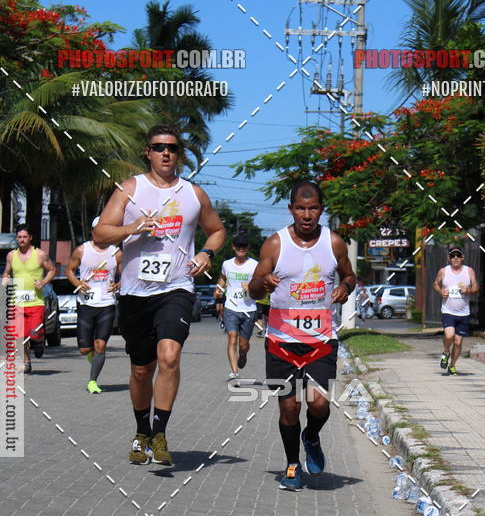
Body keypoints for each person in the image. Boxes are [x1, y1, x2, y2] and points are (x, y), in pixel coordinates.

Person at [93, 124, 226, 465]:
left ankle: (161, 431)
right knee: (141, 370)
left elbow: (217, 230)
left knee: (169, 357)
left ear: (178, 154)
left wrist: (206, 254)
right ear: (148, 152)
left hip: (176, 288)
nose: (166, 153)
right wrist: (132, 228)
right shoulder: (129, 190)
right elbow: (100, 233)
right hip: (136, 293)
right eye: (158, 147)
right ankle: (141, 431)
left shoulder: (193, 194)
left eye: (172, 148)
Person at [248, 179, 356, 492]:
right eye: (300, 208)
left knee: (319, 403)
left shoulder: (333, 243)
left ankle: (311, 436)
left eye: (313, 208)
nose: (306, 215)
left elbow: (349, 274)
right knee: (290, 407)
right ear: (291, 209)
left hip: (320, 339)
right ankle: (292, 465)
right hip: (281, 340)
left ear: (321, 210)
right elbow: (253, 289)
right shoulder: (275, 244)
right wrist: (263, 282)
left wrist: (344, 288)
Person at [65, 217, 122, 393]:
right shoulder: (82, 250)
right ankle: (93, 358)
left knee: (100, 345)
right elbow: (69, 270)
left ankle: (92, 381)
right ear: (93, 232)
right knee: (84, 348)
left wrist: (118, 285)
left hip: (107, 303)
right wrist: (77, 283)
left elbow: (127, 274)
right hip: (86, 303)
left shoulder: (116, 253)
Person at [1, 224, 56, 374]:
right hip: (16, 302)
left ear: (30, 238)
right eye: (19, 237)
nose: (22, 240)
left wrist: (43, 282)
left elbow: (52, 270)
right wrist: (5, 278)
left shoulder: (39, 254)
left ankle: (39, 342)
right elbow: (7, 272)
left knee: (35, 333)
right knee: (19, 336)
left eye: (25, 237)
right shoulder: (11, 255)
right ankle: (26, 362)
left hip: (35, 302)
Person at [217, 234, 259, 381]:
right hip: (230, 307)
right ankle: (234, 372)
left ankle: (243, 354)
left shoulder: (254, 265)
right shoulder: (227, 264)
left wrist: (251, 286)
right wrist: (218, 288)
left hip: (249, 308)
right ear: (233, 247)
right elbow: (222, 278)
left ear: (247, 248)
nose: (241, 249)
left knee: (243, 345)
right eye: (238, 246)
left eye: (244, 246)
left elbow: (260, 284)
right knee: (232, 337)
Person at [433, 246, 479, 376]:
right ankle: (446, 352)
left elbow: (476, 287)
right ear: (449, 258)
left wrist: (468, 290)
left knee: (458, 342)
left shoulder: (469, 271)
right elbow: (435, 283)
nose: (456, 258)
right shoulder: (444, 271)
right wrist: (440, 291)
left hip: (463, 313)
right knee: (449, 335)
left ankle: (452, 365)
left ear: (462, 257)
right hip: (448, 311)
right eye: (453, 256)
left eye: (458, 255)